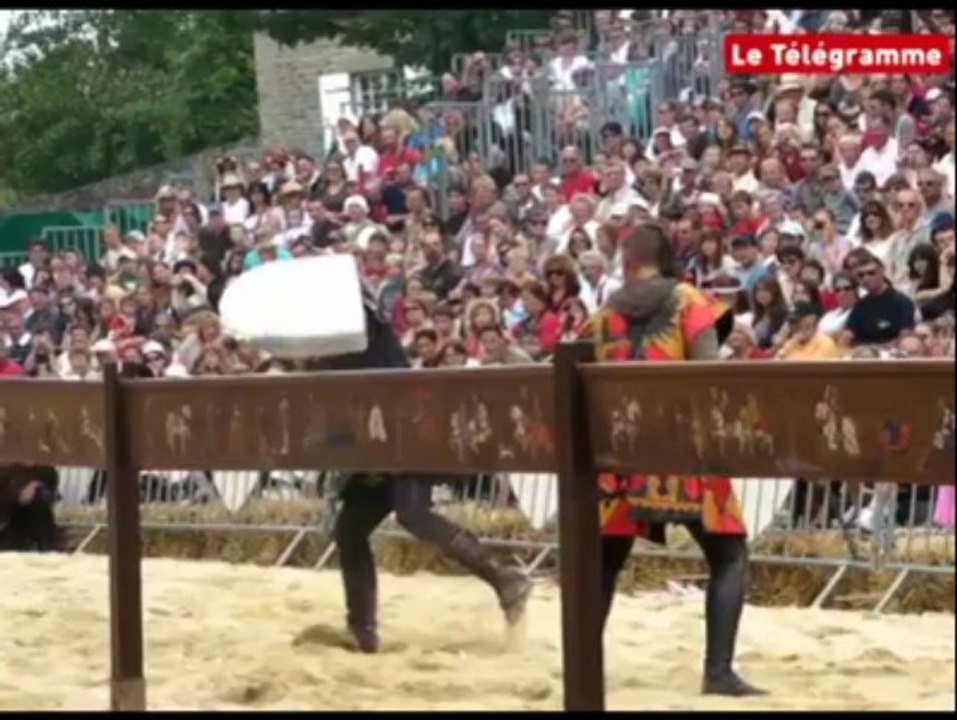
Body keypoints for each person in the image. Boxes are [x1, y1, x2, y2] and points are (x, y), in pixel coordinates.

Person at [580, 222, 764, 697]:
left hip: (621, 453)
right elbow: (706, 374)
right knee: (729, 553)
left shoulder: (601, 315)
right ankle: (718, 671)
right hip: (685, 451)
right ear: (666, 256)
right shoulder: (690, 302)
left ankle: (584, 662)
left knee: (604, 562)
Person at [315, 283, 531, 653]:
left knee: (412, 512)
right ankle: (361, 628)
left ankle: (504, 578)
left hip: (405, 432)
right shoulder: (335, 336)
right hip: (376, 441)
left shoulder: (362, 325)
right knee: (350, 529)